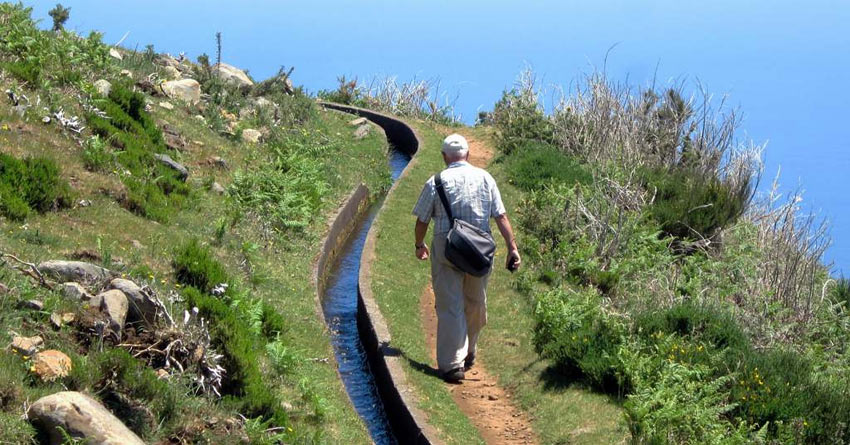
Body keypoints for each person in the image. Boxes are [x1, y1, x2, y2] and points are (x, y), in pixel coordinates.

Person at [412, 133, 521, 383]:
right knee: (475, 302)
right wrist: (512, 247)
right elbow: (501, 216)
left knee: (450, 304)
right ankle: (470, 350)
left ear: (444, 157)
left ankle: (452, 365)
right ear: (468, 155)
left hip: (447, 245)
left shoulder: (436, 181)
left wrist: (419, 244)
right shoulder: (485, 178)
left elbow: (422, 220)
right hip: (478, 248)